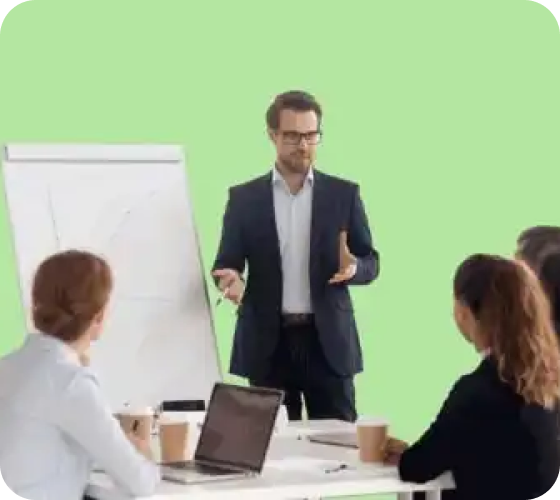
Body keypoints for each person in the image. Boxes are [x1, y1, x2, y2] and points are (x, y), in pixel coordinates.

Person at [211, 90, 379, 422]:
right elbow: (225, 263)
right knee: (268, 444)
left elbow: (371, 261)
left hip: (327, 344)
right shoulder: (244, 199)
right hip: (267, 344)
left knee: (337, 444)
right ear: (272, 135)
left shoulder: (343, 195)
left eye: (311, 135)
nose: (303, 145)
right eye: (292, 136)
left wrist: (355, 268)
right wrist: (229, 280)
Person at [384, 254, 560, 500]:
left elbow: (416, 468)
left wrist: (403, 455)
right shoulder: (548, 385)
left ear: (464, 311)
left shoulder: (477, 391)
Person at [0, 250, 160, 500]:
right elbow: (141, 482)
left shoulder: (9, 366)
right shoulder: (70, 382)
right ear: (98, 316)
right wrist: (142, 452)